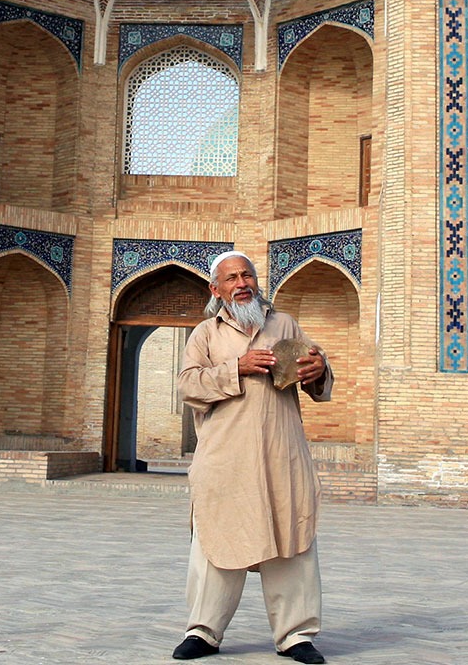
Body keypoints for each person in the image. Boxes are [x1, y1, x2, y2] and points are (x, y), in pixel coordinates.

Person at [172, 251, 333, 663]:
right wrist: (237, 368)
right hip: (226, 457)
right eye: (231, 278)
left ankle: (296, 635)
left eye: (247, 275)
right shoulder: (206, 334)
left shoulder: (284, 324)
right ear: (216, 289)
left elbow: (313, 376)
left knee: (290, 538)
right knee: (217, 540)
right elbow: (188, 385)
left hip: (282, 453)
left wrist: (318, 371)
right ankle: (203, 631)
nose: (241, 283)